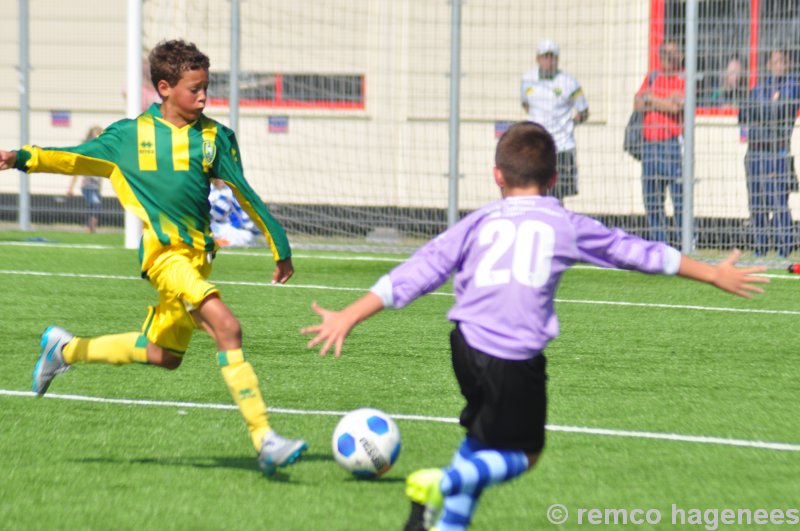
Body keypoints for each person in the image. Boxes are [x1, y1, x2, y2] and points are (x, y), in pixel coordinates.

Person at [301, 122, 768, 531]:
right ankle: (443, 484)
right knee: (525, 456)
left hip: (464, 345)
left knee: (480, 441)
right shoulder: (564, 222)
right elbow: (636, 251)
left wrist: (350, 314)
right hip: (514, 357)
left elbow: (419, 271)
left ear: (497, 176)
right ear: (554, 178)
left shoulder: (479, 221)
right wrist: (712, 272)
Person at [0, 39, 307, 477]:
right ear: (164, 88)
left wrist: (280, 244)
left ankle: (65, 350)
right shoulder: (128, 138)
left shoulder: (215, 137)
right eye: (193, 89)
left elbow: (244, 191)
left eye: (207, 88)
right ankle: (265, 439)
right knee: (227, 326)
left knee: (164, 354)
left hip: (199, 258)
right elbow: (73, 159)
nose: (203, 97)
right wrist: (19, 158)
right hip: (165, 259)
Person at [738, 48, 800, 258]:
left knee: (777, 201)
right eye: (773, 62)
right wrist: (767, 107)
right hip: (754, 153)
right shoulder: (760, 86)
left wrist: (761, 109)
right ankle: (760, 248)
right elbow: (743, 110)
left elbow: (781, 109)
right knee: (756, 202)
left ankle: (784, 248)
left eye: (780, 62)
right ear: (767, 65)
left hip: (777, 152)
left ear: (787, 64)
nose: (777, 66)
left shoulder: (792, 85)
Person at [521, 38, 589, 201]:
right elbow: (525, 104)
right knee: (535, 192)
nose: (548, 61)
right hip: (536, 147)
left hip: (562, 146)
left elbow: (584, 111)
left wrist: (570, 123)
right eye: (545, 57)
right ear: (537, 59)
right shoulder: (527, 80)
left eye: (552, 57)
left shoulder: (569, 82)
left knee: (558, 195)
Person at [633, 39, 685, 245]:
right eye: (664, 53)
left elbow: (677, 108)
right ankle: (659, 242)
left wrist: (651, 99)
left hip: (670, 145)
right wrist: (664, 101)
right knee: (652, 197)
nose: (667, 58)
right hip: (649, 146)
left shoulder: (682, 78)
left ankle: (685, 242)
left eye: (672, 54)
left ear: (679, 56)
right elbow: (637, 104)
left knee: (678, 196)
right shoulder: (653, 77)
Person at [66, 125, 105, 232]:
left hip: (96, 185)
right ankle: (90, 227)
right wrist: (71, 187)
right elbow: (77, 171)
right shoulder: (87, 150)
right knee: (95, 205)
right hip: (88, 185)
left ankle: (91, 228)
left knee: (95, 206)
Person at [209, 178, 261, 247]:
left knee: (208, 226)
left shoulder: (226, 193)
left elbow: (213, 216)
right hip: (246, 233)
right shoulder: (231, 190)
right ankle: (221, 242)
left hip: (241, 233)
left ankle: (221, 242)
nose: (218, 180)